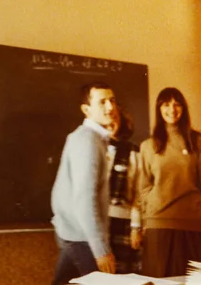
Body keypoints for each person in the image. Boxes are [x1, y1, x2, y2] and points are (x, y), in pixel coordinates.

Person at [138, 87, 201, 277]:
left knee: (193, 282)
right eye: (166, 104)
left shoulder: (197, 142)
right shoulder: (148, 146)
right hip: (158, 226)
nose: (172, 109)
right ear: (159, 109)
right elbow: (143, 188)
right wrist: (145, 220)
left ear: (183, 109)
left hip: (191, 225)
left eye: (177, 105)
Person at [50, 81, 118, 285]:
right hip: (81, 236)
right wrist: (101, 250)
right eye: (102, 102)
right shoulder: (87, 140)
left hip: (74, 232)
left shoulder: (94, 138)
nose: (110, 107)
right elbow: (84, 200)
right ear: (86, 109)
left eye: (112, 100)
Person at [106, 106, 143, 274]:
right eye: (107, 118)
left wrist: (136, 227)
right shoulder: (95, 149)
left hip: (124, 223)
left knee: (123, 276)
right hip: (98, 223)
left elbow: (139, 193)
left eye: (115, 118)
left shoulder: (134, 152)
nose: (110, 122)